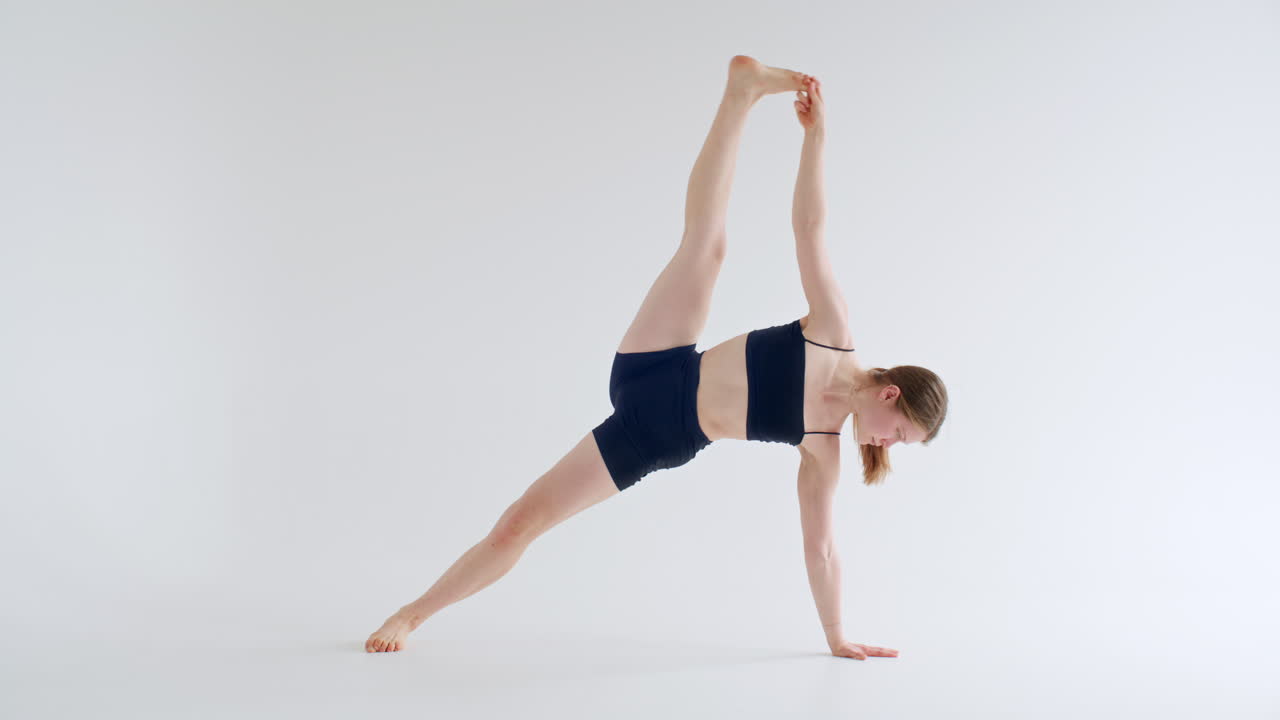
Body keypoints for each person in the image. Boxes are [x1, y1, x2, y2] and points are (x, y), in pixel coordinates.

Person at [366, 55, 948, 659]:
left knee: (521, 522)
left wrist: (836, 637)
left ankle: (411, 615)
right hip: (659, 363)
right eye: (902, 433)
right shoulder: (830, 333)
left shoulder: (822, 446)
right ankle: (741, 93)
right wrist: (816, 138)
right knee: (707, 245)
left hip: (653, 434)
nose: (891, 446)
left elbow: (821, 548)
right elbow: (811, 226)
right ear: (890, 395)